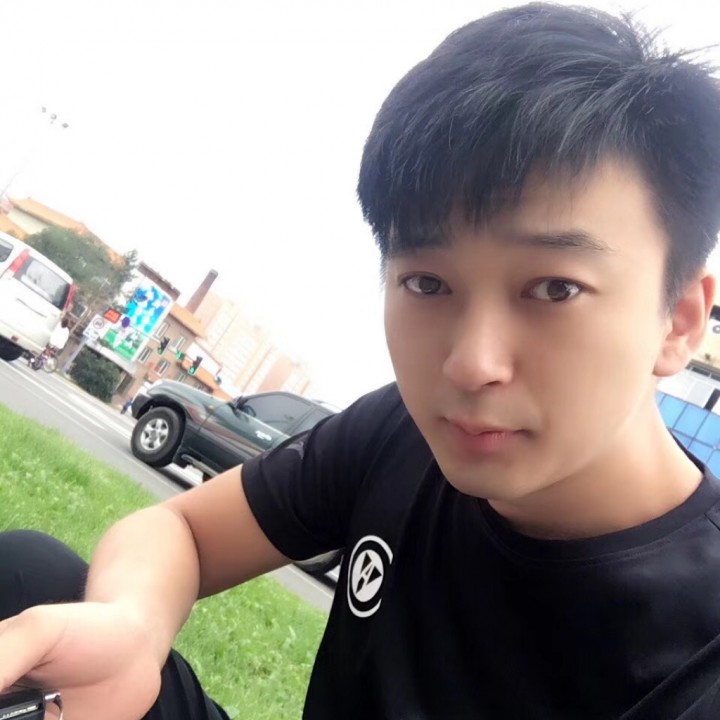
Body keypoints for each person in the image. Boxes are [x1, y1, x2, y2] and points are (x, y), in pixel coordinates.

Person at [3, 3, 720, 718]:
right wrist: (132, 626)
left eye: (555, 288)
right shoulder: (403, 434)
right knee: (32, 580)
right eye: (427, 283)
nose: (471, 364)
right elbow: (181, 530)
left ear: (681, 320)